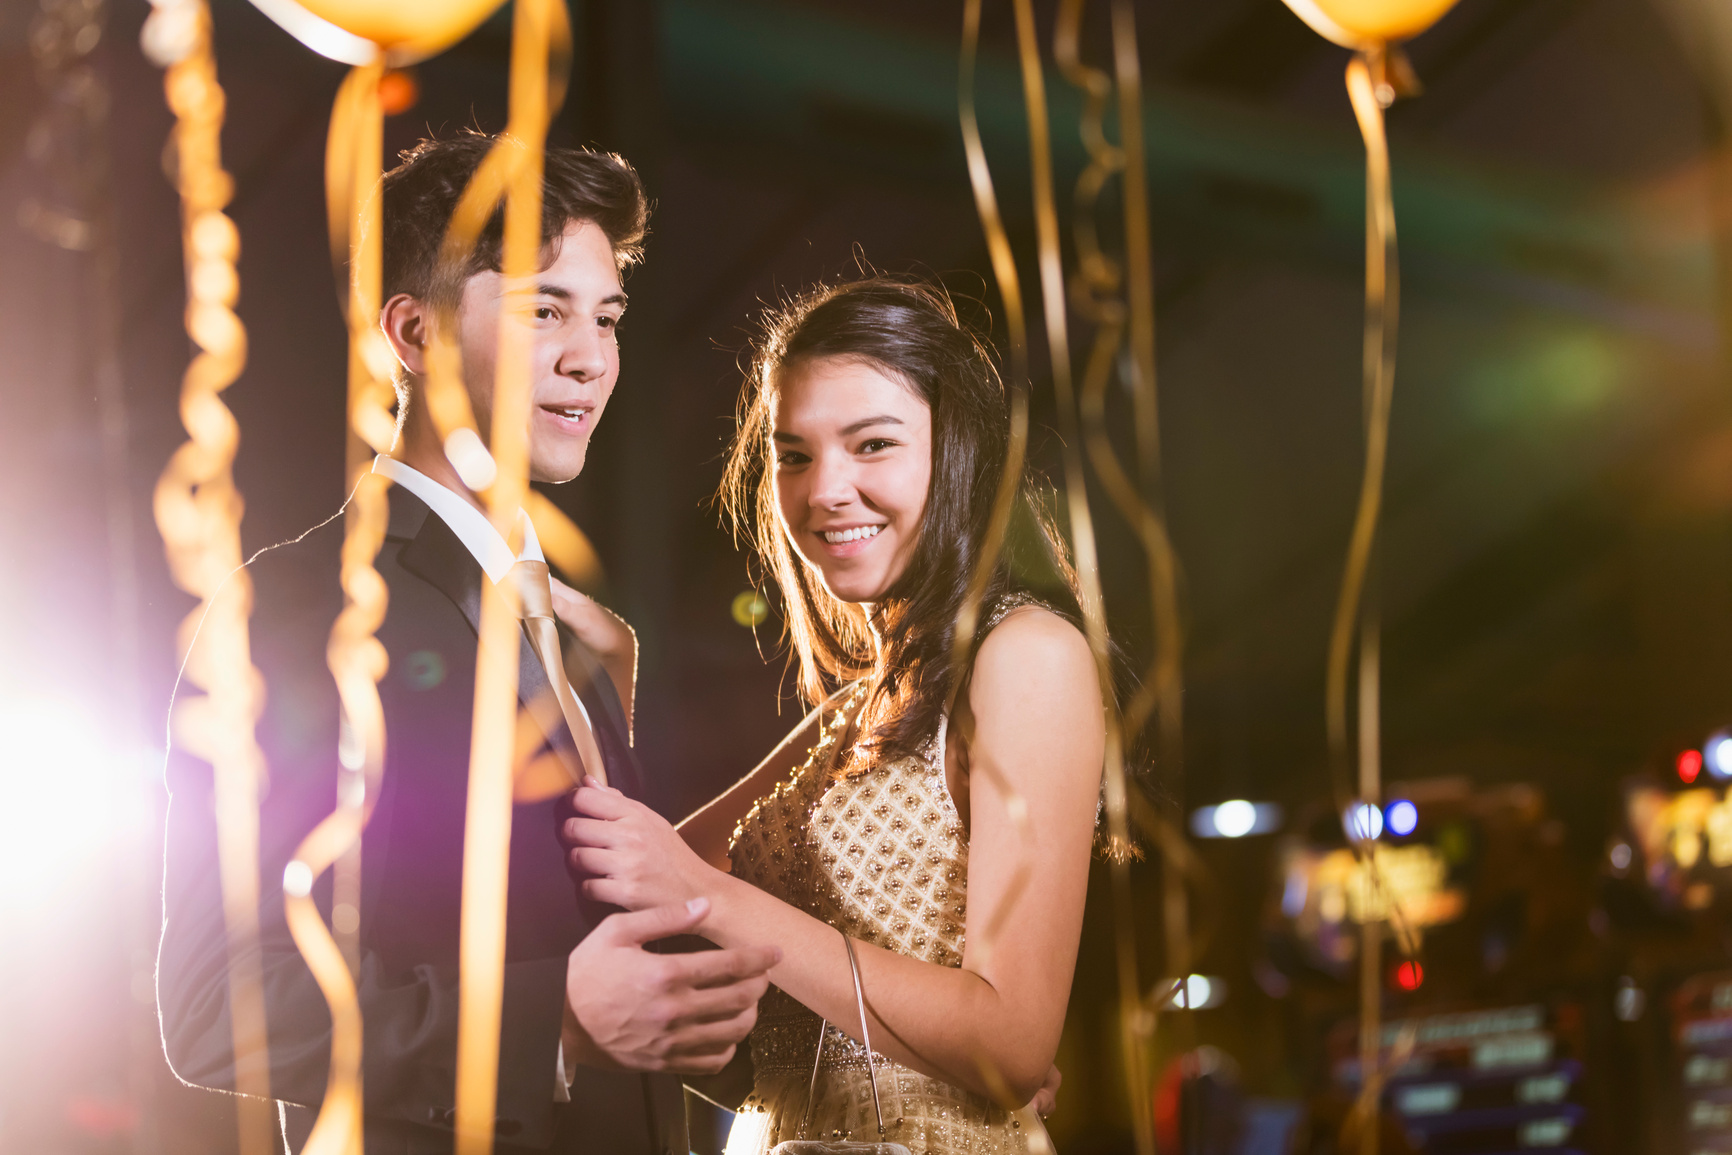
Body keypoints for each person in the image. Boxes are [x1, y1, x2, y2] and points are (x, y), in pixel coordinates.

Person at [157, 133, 777, 1155]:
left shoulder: (584, 638)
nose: (591, 355)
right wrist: (554, 1024)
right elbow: (217, 1005)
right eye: (545, 310)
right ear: (411, 332)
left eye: (607, 316)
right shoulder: (299, 607)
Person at [557, 277, 1105, 1153]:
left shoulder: (1027, 653)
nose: (825, 491)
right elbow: (641, 902)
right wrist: (601, 672)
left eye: (872, 444)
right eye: (796, 455)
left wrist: (712, 898)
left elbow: (1010, 1045)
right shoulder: (847, 714)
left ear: (959, 452)